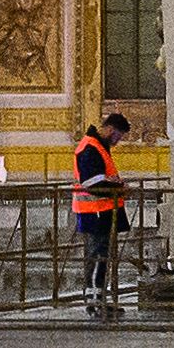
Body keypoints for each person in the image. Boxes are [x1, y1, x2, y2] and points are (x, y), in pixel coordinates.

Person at [68, 117, 126, 308]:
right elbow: (92, 183)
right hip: (95, 210)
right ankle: (94, 298)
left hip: (101, 209)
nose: (117, 141)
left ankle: (97, 297)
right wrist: (118, 186)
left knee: (101, 254)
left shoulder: (98, 146)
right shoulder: (91, 148)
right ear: (109, 129)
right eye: (117, 136)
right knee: (97, 254)